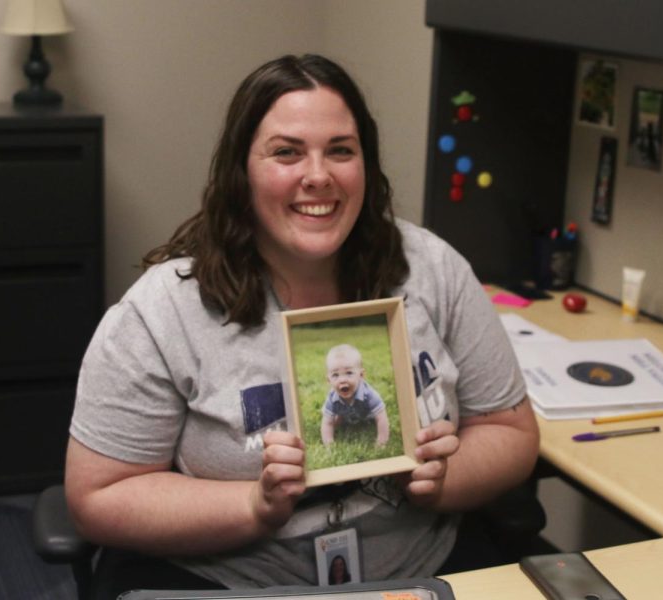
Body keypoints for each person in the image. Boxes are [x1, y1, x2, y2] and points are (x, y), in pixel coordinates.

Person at [64, 53, 538, 597]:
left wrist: (444, 480)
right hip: (231, 582)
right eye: (287, 153)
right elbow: (98, 497)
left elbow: (510, 431)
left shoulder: (433, 269)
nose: (319, 176)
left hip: (419, 575)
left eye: (341, 150)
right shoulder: (164, 311)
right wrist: (254, 504)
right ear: (241, 170)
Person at [321, 343, 389, 446]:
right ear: (328, 380)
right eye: (335, 375)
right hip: (345, 413)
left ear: (361, 375)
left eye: (349, 373)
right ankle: (341, 416)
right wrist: (329, 445)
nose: (342, 379)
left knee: (372, 419)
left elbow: (381, 418)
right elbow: (327, 423)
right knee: (335, 419)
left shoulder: (369, 394)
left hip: (367, 415)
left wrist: (381, 443)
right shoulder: (332, 398)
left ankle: (344, 416)